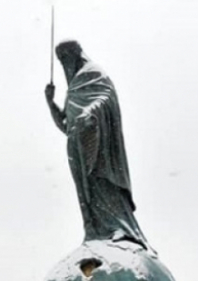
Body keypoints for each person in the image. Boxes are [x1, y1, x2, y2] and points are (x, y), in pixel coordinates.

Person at [44, 40, 150, 249]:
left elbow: (106, 98)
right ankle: (95, 230)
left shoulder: (93, 73)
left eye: (66, 58)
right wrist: (50, 103)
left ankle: (120, 228)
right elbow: (66, 125)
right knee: (88, 193)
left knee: (104, 184)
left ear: (75, 55)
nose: (65, 64)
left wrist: (91, 112)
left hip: (100, 145)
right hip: (79, 148)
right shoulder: (74, 87)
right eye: (61, 61)